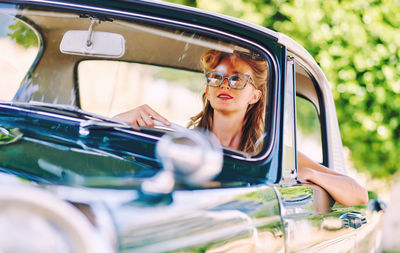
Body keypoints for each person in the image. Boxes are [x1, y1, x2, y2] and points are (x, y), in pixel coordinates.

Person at [113, 49, 368, 207]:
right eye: (216, 76)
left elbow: (358, 194)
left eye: (236, 79)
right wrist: (123, 120)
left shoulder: (269, 152)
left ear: (254, 96)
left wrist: (311, 175)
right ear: (208, 89)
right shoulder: (180, 141)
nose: (224, 84)